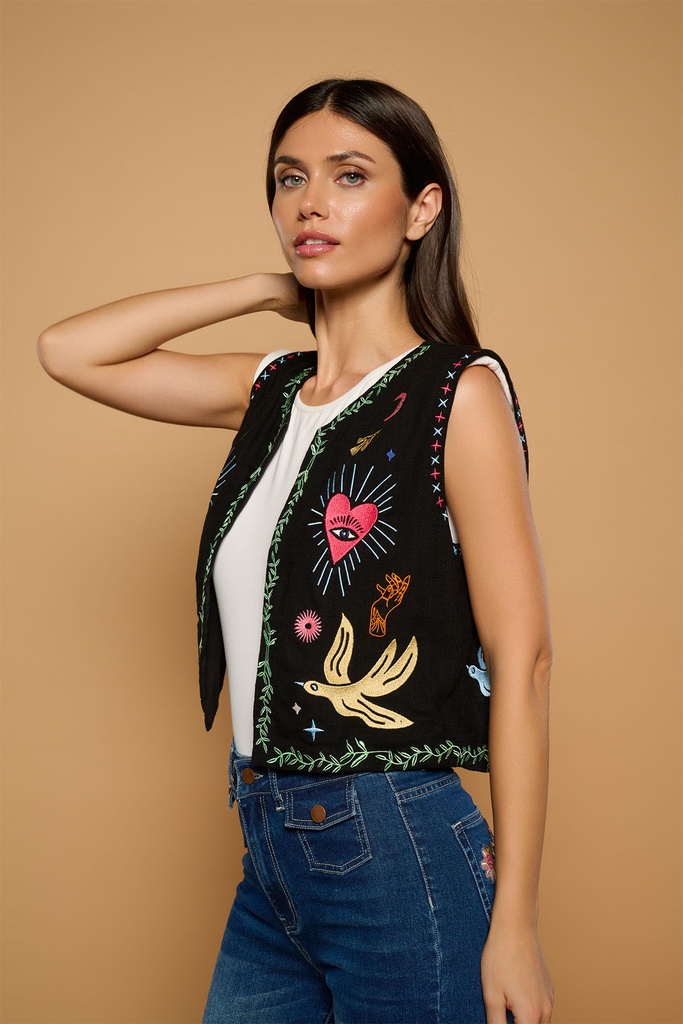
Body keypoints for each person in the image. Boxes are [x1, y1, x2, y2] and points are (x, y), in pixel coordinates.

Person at [38, 78, 553, 1024]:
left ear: (421, 210)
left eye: (349, 176)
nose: (310, 202)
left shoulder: (457, 392)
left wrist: (514, 919)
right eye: (289, 179)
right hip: (269, 846)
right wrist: (265, 289)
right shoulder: (270, 390)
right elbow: (69, 351)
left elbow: (522, 661)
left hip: (393, 839)